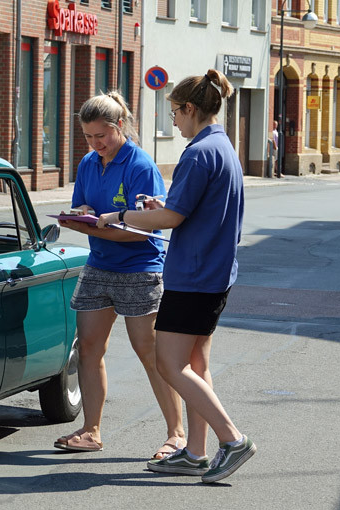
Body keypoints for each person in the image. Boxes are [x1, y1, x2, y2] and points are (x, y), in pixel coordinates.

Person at [96, 69, 256, 484]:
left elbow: (171, 217)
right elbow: (182, 207)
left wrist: (121, 215)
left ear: (190, 108)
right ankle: (196, 452)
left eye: (174, 113)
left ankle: (232, 439)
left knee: (168, 363)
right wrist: (160, 204)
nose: (174, 122)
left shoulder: (198, 152)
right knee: (195, 364)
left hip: (194, 274)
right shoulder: (221, 146)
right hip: (215, 272)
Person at [53, 91, 185, 460]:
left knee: (151, 353)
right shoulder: (88, 163)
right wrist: (80, 214)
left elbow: (143, 229)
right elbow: (85, 207)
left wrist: (89, 228)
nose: (96, 144)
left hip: (140, 268)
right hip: (100, 265)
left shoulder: (140, 165)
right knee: (90, 348)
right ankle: (91, 431)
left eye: (102, 136)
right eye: (88, 137)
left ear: (120, 126)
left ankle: (176, 435)